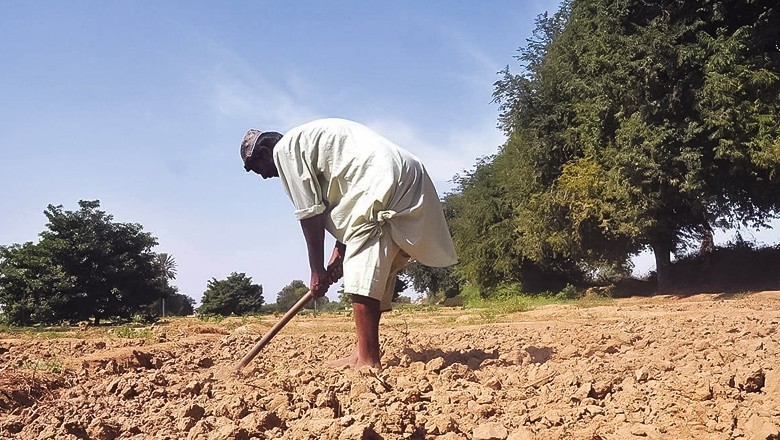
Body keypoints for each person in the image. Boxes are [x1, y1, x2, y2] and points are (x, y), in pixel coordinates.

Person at [240, 118, 457, 368]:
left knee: (361, 269)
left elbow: (310, 214)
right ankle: (362, 352)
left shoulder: (285, 152)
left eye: (258, 169)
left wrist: (317, 271)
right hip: (402, 172)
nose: (265, 176)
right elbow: (346, 202)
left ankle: (367, 359)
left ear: (266, 152)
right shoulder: (305, 142)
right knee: (374, 263)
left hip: (380, 180)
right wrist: (338, 254)